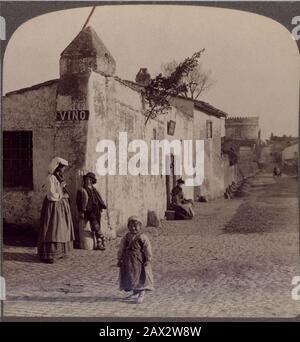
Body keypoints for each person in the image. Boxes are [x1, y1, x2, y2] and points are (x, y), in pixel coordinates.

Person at [37, 157, 74, 263]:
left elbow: (60, 189)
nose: (63, 170)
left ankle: (60, 252)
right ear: (57, 168)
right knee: (53, 228)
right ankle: (50, 254)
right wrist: (62, 195)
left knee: (62, 229)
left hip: (61, 206)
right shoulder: (50, 178)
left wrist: (63, 189)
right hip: (53, 206)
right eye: (62, 168)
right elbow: (51, 195)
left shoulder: (59, 178)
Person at [117, 216, 154, 304]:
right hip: (128, 260)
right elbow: (121, 248)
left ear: (140, 227)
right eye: (131, 226)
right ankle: (135, 291)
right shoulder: (126, 237)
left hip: (139, 260)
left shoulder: (142, 237)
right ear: (128, 227)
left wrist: (148, 259)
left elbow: (147, 248)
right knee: (131, 275)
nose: (133, 228)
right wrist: (119, 259)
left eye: (135, 226)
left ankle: (141, 292)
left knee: (141, 275)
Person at [76, 172, 107, 250]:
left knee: (97, 225)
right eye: (87, 179)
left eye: (90, 180)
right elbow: (78, 202)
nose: (88, 181)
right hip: (88, 211)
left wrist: (100, 207)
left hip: (96, 209)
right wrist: (81, 211)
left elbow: (98, 199)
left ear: (92, 181)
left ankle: (99, 242)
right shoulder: (81, 190)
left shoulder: (94, 190)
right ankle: (102, 238)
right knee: (95, 224)